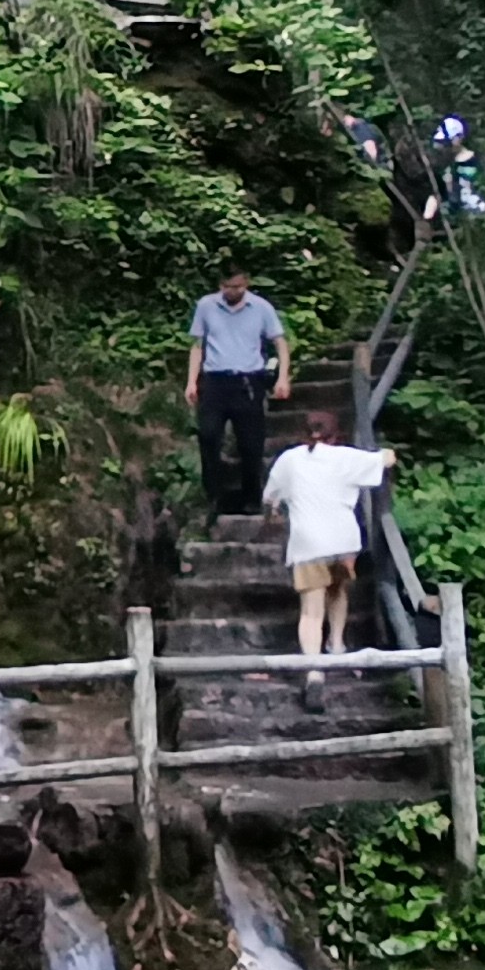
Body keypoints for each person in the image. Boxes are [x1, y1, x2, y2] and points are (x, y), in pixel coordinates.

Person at [263, 410, 397, 710]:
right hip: (343, 540)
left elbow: (271, 497)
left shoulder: (289, 460)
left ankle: (313, 671)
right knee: (338, 591)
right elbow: (385, 459)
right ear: (337, 435)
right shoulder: (346, 458)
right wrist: (387, 453)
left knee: (311, 611)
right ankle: (336, 645)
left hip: (308, 542)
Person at [185, 266, 290, 517]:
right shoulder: (207, 306)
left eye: (238, 287)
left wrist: (283, 377)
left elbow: (280, 343)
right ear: (220, 285)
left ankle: (252, 498)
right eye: (227, 287)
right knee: (208, 436)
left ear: (246, 283)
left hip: (248, 382)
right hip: (215, 381)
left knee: (251, 444)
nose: (232, 292)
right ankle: (214, 497)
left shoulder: (261, 308)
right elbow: (197, 345)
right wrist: (191, 381)